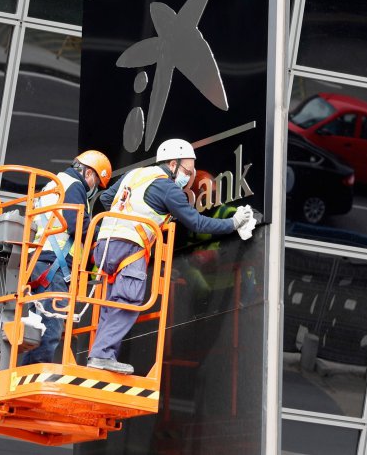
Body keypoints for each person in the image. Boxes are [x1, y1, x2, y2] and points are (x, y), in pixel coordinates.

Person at [86, 138, 255, 374]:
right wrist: (233, 223)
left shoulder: (136, 175)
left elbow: (106, 199)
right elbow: (196, 222)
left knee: (111, 301)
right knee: (128, 300)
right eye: (187, 170)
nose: (189, 176)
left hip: (106, 244)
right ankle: (102, 355)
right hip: (130, 246)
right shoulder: (167, 188)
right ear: (172, 164)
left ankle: (101, 355)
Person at [22, 150, 112, 366]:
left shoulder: (56, 183)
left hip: (41, 261)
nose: (93, 189)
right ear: (88, 173)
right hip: (54, 265)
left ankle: (28, 371)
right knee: (51, 327)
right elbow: (76, 224)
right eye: (96, 183)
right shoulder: (75, 185)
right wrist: (104, 233)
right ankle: (35, 374)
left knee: (38, 327)